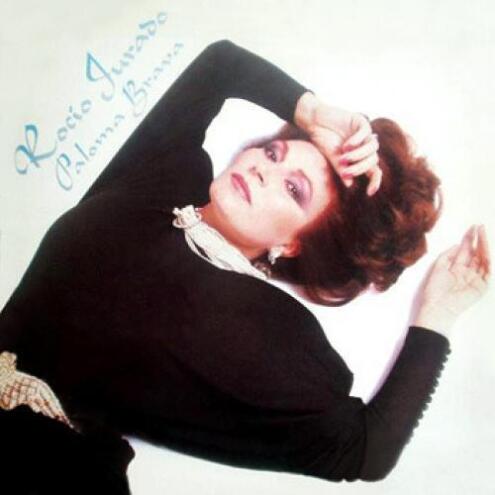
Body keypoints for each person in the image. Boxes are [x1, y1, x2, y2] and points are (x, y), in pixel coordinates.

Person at [0, 40, 490, 493]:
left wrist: (437, 315)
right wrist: (312, 112)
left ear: (294, 244)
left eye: (294, 189)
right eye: (273, 153)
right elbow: (219, 64)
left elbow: (366, 450)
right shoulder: (165, 174)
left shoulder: (262, 328)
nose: (263, 168)